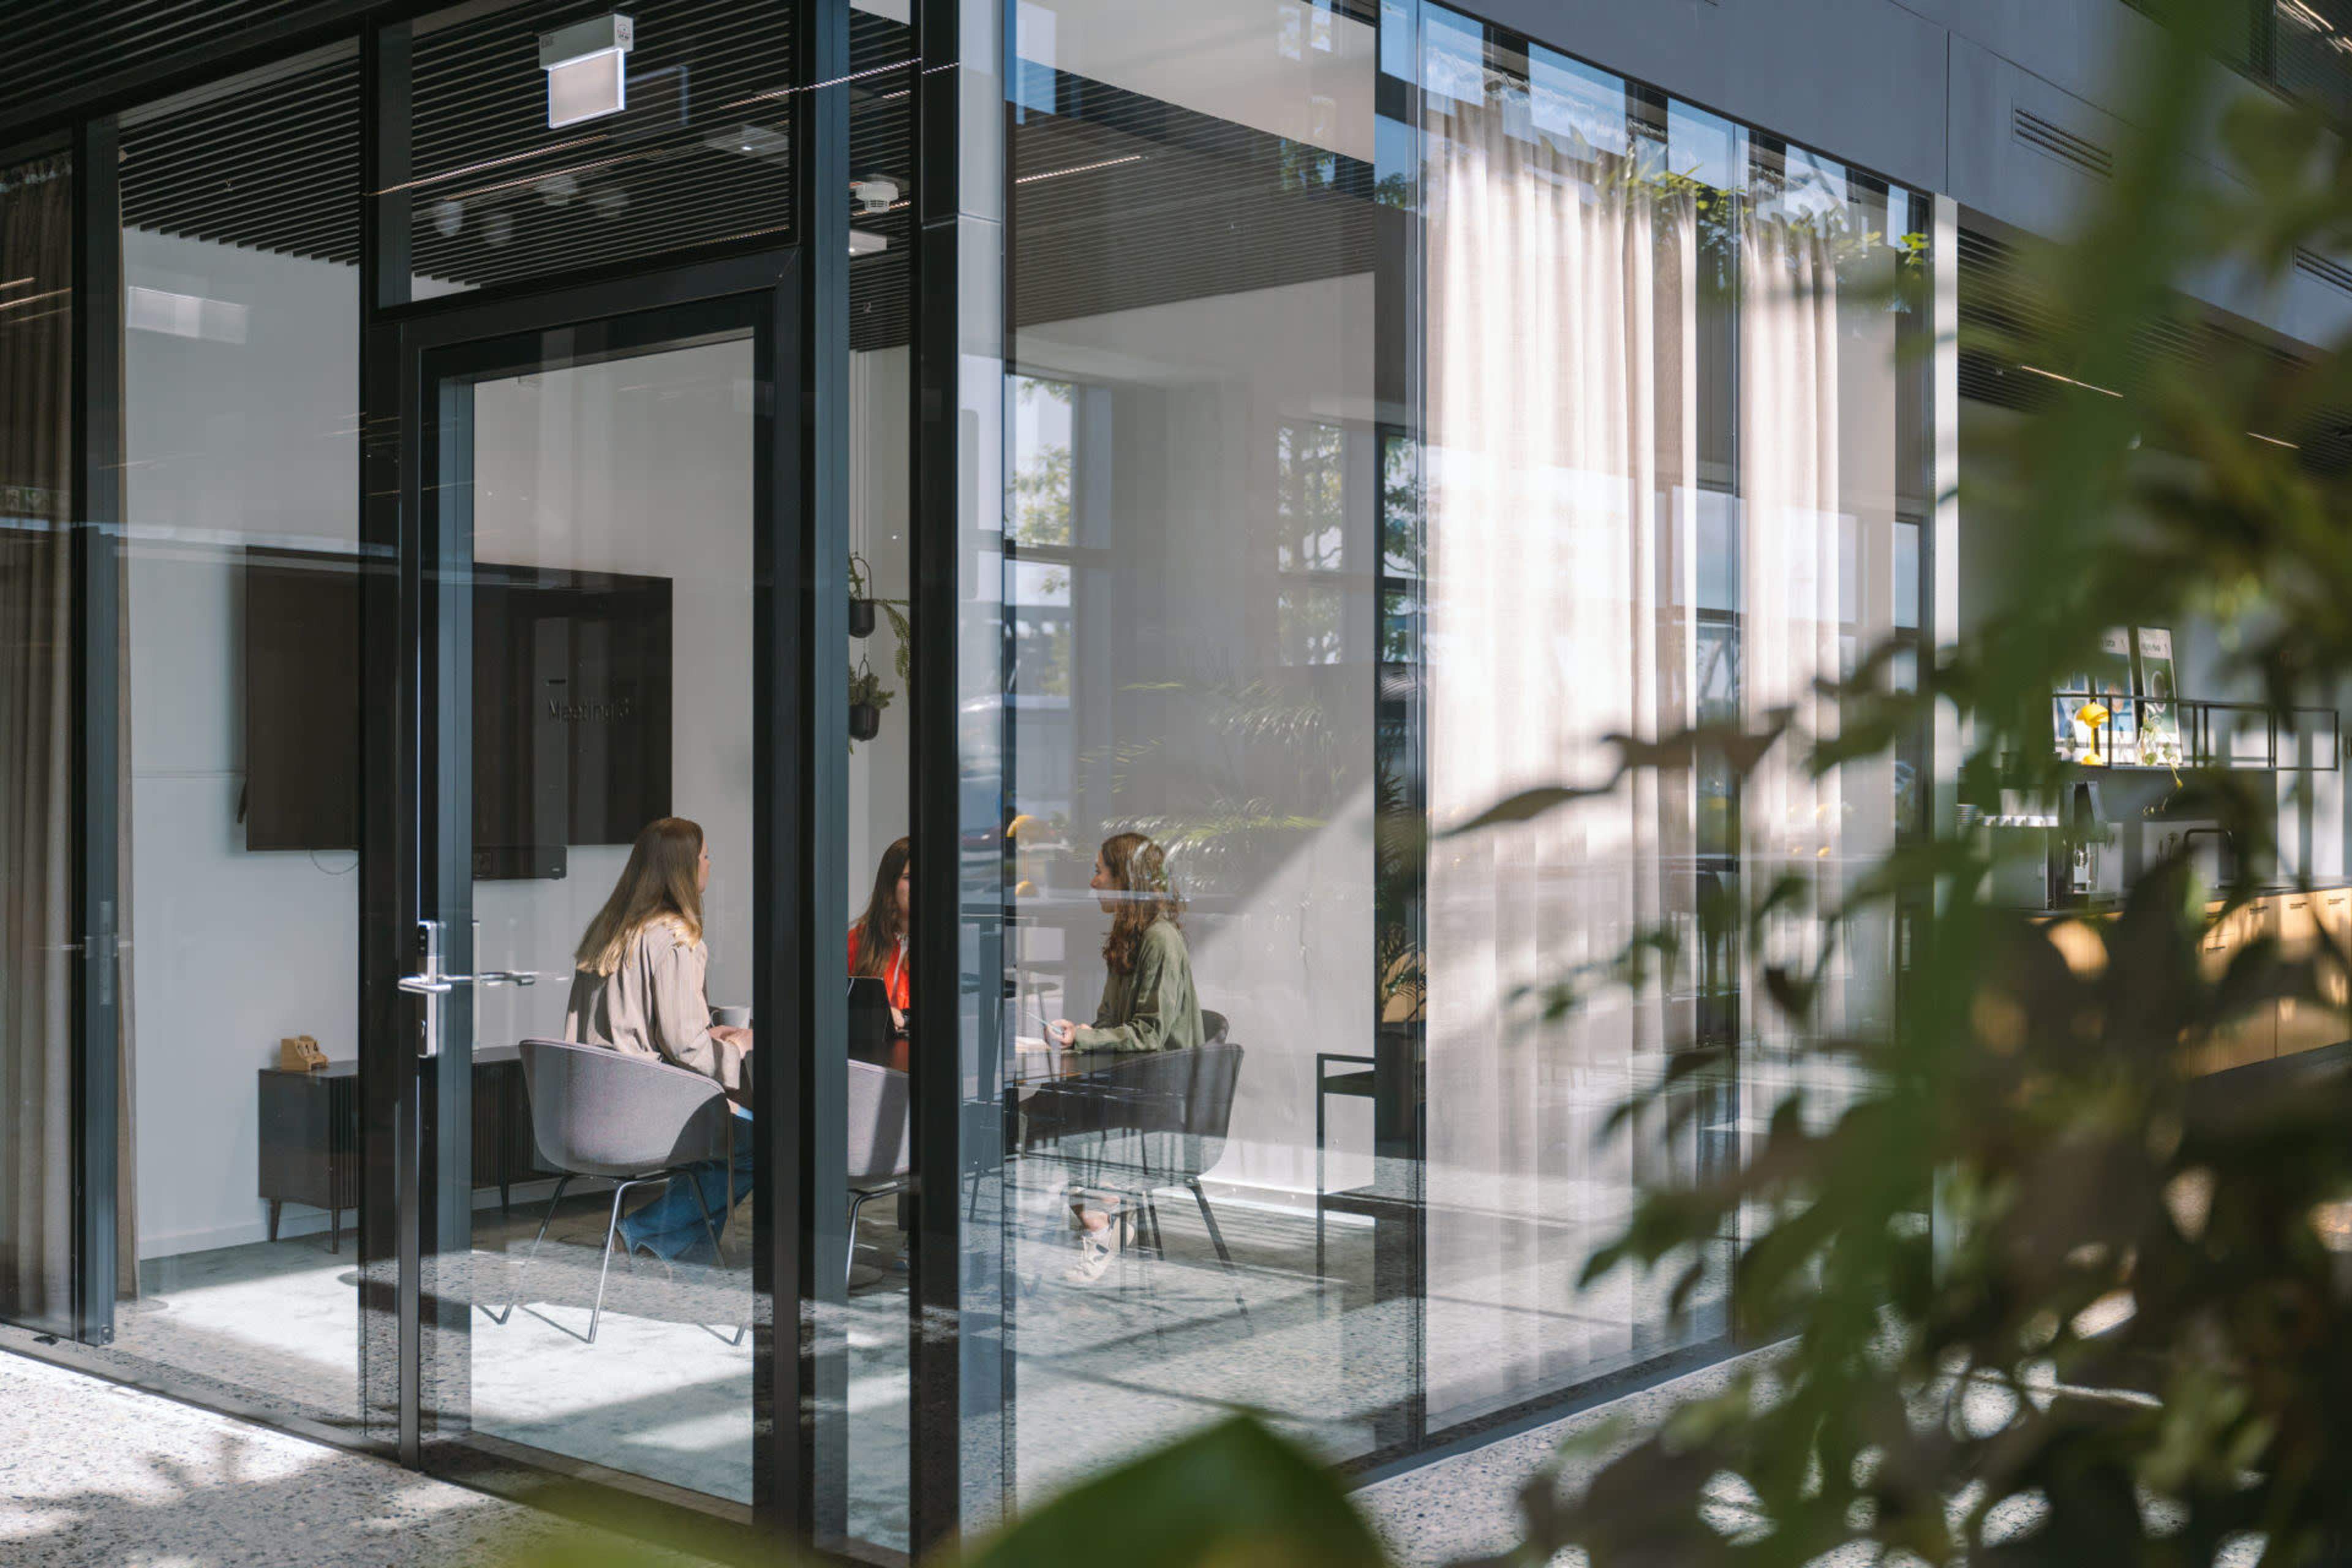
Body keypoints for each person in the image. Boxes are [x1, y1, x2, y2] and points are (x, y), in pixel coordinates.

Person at [565, 816, 753, 1262]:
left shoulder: (609, 932)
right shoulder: (675, 938)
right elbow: (685, 1047)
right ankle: (635, 1232)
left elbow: (641, 1028)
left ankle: (677, 1252)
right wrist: (738, 1049)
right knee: (765, 1143)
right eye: (705, 856)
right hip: (643, 1114)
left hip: (588, 1109)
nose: (710, 864)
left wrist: (706, 1030)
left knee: (729, 1132)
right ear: (684, 868)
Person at [1046, 832, 1203, 1283]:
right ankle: (1105, 1210)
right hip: (1132, 1086)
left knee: (1050, 1115)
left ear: (1126, 879)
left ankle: (1101, 1220)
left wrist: (1087, 1037)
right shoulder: (1129, 937)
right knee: (1041, 1112)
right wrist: (1081, 1034)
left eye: (1100, 872)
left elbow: (1150, 1033)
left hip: (1158, 1096)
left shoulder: (1160, 939)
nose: (1093, 882)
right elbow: (1110, 1023)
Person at [847, 836, 912, 1070]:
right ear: (890, 885)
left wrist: (904, 1018)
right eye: (909, 878)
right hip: (863, 1064)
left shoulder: (942, 946)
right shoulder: (858, 940)